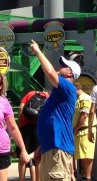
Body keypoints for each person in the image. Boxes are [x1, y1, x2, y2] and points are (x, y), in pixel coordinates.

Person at [27, 40, 78, 181]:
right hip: (52, 148)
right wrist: (42, 147)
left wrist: (38, 51)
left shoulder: (68, 87)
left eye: (63, 65)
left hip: (58, 149)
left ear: (70, 73)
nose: (59, 66)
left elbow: (49, 71)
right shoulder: (58, 93)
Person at [18, 87, 48, 181]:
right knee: (37, 156)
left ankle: (21, 179)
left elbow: (21, 108)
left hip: (25, 127)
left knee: (23, 155)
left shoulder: (30, 93)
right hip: (38, 128)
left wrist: (20, 122)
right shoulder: (48, 97)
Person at [73, 80, 95, 181]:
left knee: (86, 157)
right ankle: (86, 176)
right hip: (81, 131)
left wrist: (75, 129)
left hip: (84, 131)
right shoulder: (81, 99)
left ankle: (87, 177)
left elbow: (84, 115)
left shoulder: (84, 99)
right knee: (83, 156)